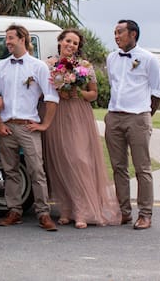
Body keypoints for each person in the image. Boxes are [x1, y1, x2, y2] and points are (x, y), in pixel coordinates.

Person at [43, 28, 121, 228]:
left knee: (80, 160)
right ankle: (67, 210)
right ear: (60, 41)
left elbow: (93, 94)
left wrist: (77, 91)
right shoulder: (48, 64)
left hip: (78, 115)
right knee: (61, 161)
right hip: (57, 114)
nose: (71, 45)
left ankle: (83, 211)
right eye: (68, 41)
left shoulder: (84, 67)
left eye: (75, 43)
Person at [0, 24, 59, 231]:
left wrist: (44, 124)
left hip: (28, 126)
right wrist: (0, 124)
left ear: (22, 39)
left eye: (11, 38)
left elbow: (51, 97)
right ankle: (14, 211)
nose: (7, 42)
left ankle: (43, 214)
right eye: (6, 38)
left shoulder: (38, 66)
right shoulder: (1, 66)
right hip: (7, 127)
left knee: (37, 170)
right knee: (10, 171)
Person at [105, 19, 160, 230]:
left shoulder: (149, 59)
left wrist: (145, 115)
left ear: (133, 34)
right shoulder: (111, 58)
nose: (116, 36)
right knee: (119, 167)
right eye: (114, 32)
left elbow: (158, 91)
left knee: (142, 168)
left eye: (120, 32)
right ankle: (124, 212)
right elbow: (115, 85)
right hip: (114, 116)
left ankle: (145, 214)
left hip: (138, 117)